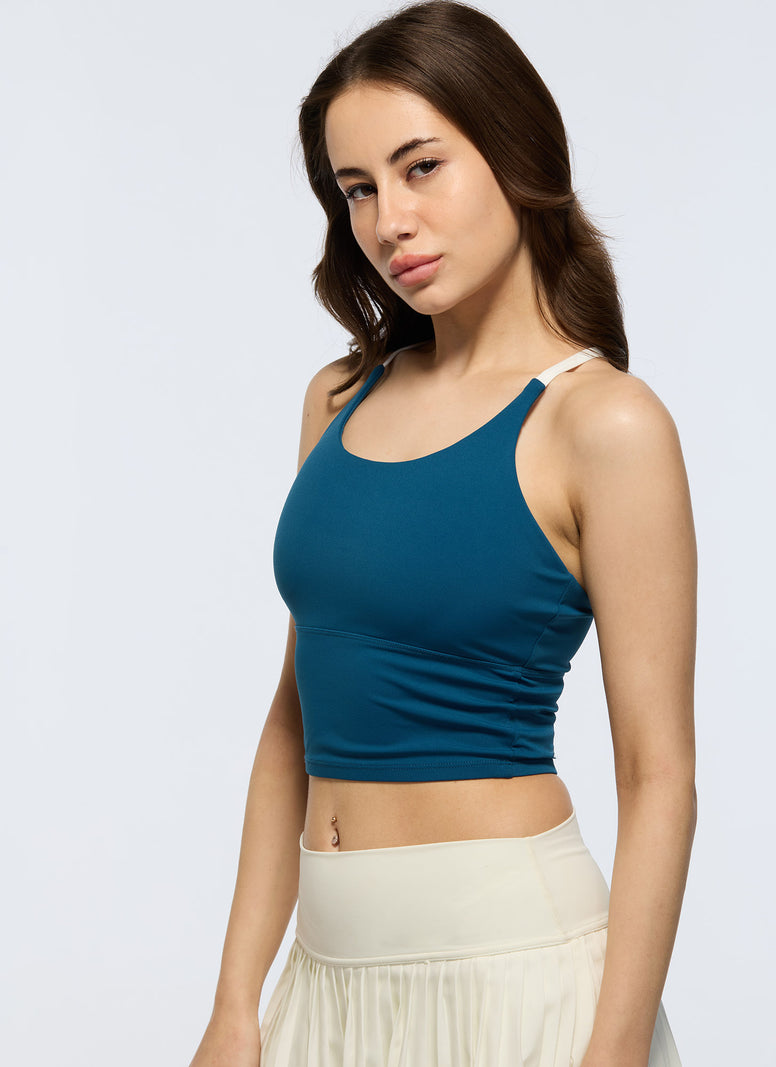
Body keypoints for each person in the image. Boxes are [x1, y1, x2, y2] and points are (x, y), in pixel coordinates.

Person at [188, 2, 697, 1065]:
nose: (389, 222)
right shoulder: (339, 398)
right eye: (357, 188)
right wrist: (235, 1004)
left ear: (514, 153)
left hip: (513, 978)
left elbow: (657, 776)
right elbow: (291, 723)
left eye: (421, 167)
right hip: (325, 983)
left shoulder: (601, 422)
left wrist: (611, 1052)